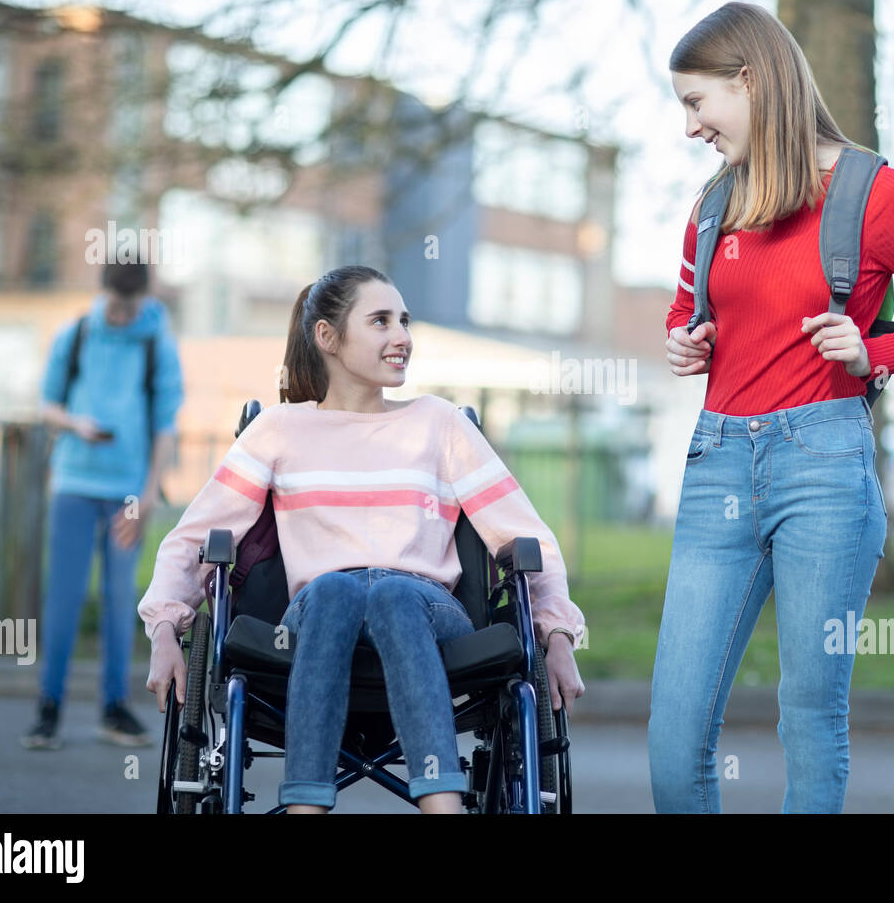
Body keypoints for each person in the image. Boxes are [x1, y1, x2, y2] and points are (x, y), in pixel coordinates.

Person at [652, 2, 894, 813]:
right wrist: (683, 342)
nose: (692, 126)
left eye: (698, 104)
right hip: (718, 467)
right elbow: (684, 311)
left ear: (749, 80)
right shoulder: (713, 205)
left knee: (809, 715)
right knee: (675, 730)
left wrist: (873, 352)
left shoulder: (877, 193)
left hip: (824, 467)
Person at [139, 265, 586, 814]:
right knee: (334, 591)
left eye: (404, 320)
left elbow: (527, 538)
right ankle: (307, 807)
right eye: (380, 321)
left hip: (426, 609)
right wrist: (165, 628)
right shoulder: (279, 430)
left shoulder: (440, 424)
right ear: (328, 337)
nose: (402, 337)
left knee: (394, 594)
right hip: (320, 609)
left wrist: (557, 633)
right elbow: (192, 539)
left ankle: (441, 806)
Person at [21, 258, 184, 750]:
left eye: (129, 306)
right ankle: (48, 710)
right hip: (73, 483)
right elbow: (47, 404)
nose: (120, 315)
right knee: (64, 598)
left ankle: (114, 710)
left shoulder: (158, 342)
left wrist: (150, 494)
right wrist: (76, 424)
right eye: (114, 305)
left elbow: (165, 426)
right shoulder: (75, 335)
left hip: (129, 493)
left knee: (121, 600)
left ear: (145, 298)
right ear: (103, 293)